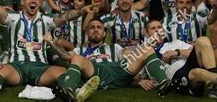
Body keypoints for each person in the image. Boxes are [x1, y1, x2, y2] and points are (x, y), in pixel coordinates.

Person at [0, 0, 91, 102]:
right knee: (0, 70)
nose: (34, 1)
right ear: (22, 2)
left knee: (61, 71)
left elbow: (65, 17)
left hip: (41, 68)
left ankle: (78, 91)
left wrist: (82, 10)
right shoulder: (13, 18)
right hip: (17, 67)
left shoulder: (46, 20)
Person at [46, 18, 174, 99]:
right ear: (87, 33)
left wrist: (137, 79)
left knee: (147, 49)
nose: (96, 30)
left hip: (117, 70)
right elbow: (64, 56)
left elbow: (127, 54)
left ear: (104, 33)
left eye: (99, 27)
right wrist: (51, 42)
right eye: (92, 27)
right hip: (95, 71)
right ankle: (68, 91)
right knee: (77, 58)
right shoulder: (80, 50)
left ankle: (164, 83)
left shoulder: (116, 47)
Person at [148, 20, 217, 100]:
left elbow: (195, 51)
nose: (157, 30)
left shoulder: (175, 43)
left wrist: (177, 52)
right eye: (153, 28)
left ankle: (215, 85)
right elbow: (137, 71)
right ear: (146, 32)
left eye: (159, 27)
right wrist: (139, 81)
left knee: (203, 40)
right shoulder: (145, 52)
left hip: (189, 64)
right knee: (196, 72)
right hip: (176, 77)